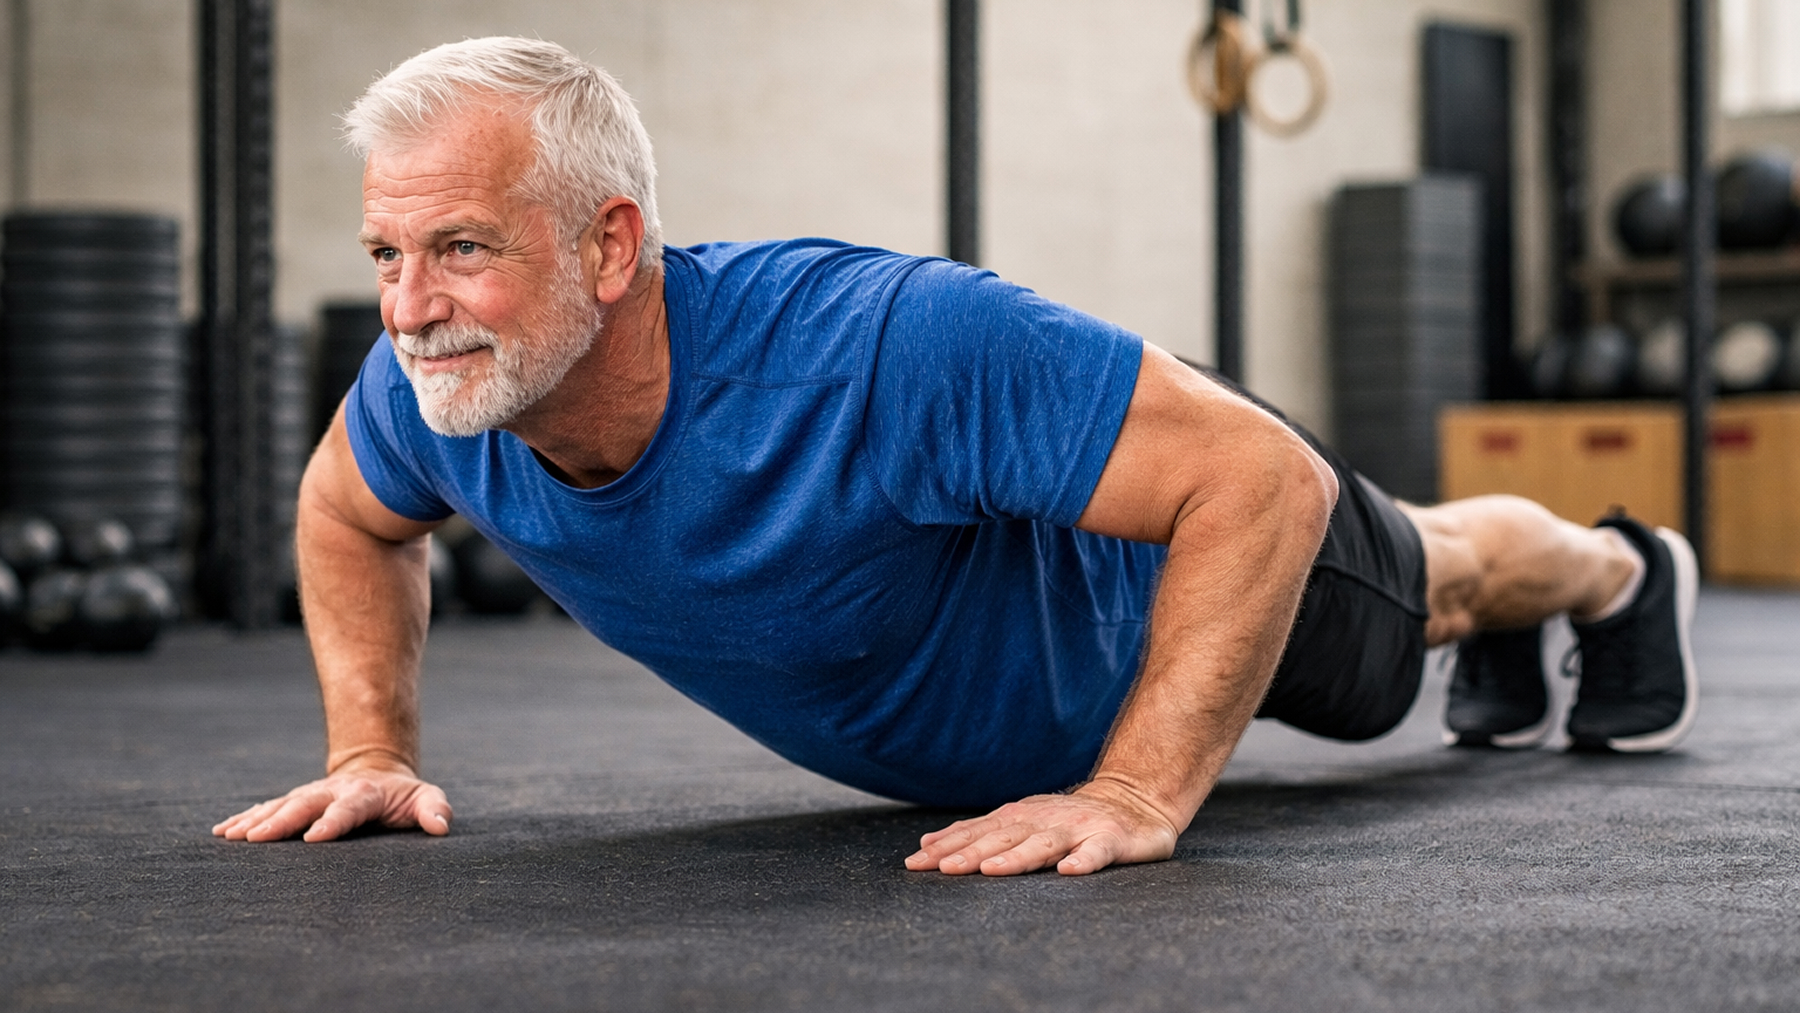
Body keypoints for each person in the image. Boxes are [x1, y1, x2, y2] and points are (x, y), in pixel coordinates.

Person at [213, 38, 1698, 876]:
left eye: (460, 248)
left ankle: (1622, 568)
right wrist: (371, 751)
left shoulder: (880, 348)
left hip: (1178, 590)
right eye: (388, 252)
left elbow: (1260, 486)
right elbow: (346, 513)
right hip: (1065, 636)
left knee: (1426, 590)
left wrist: (1134, 793)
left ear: (609, 246)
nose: (409, 307)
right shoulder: (434, 391)